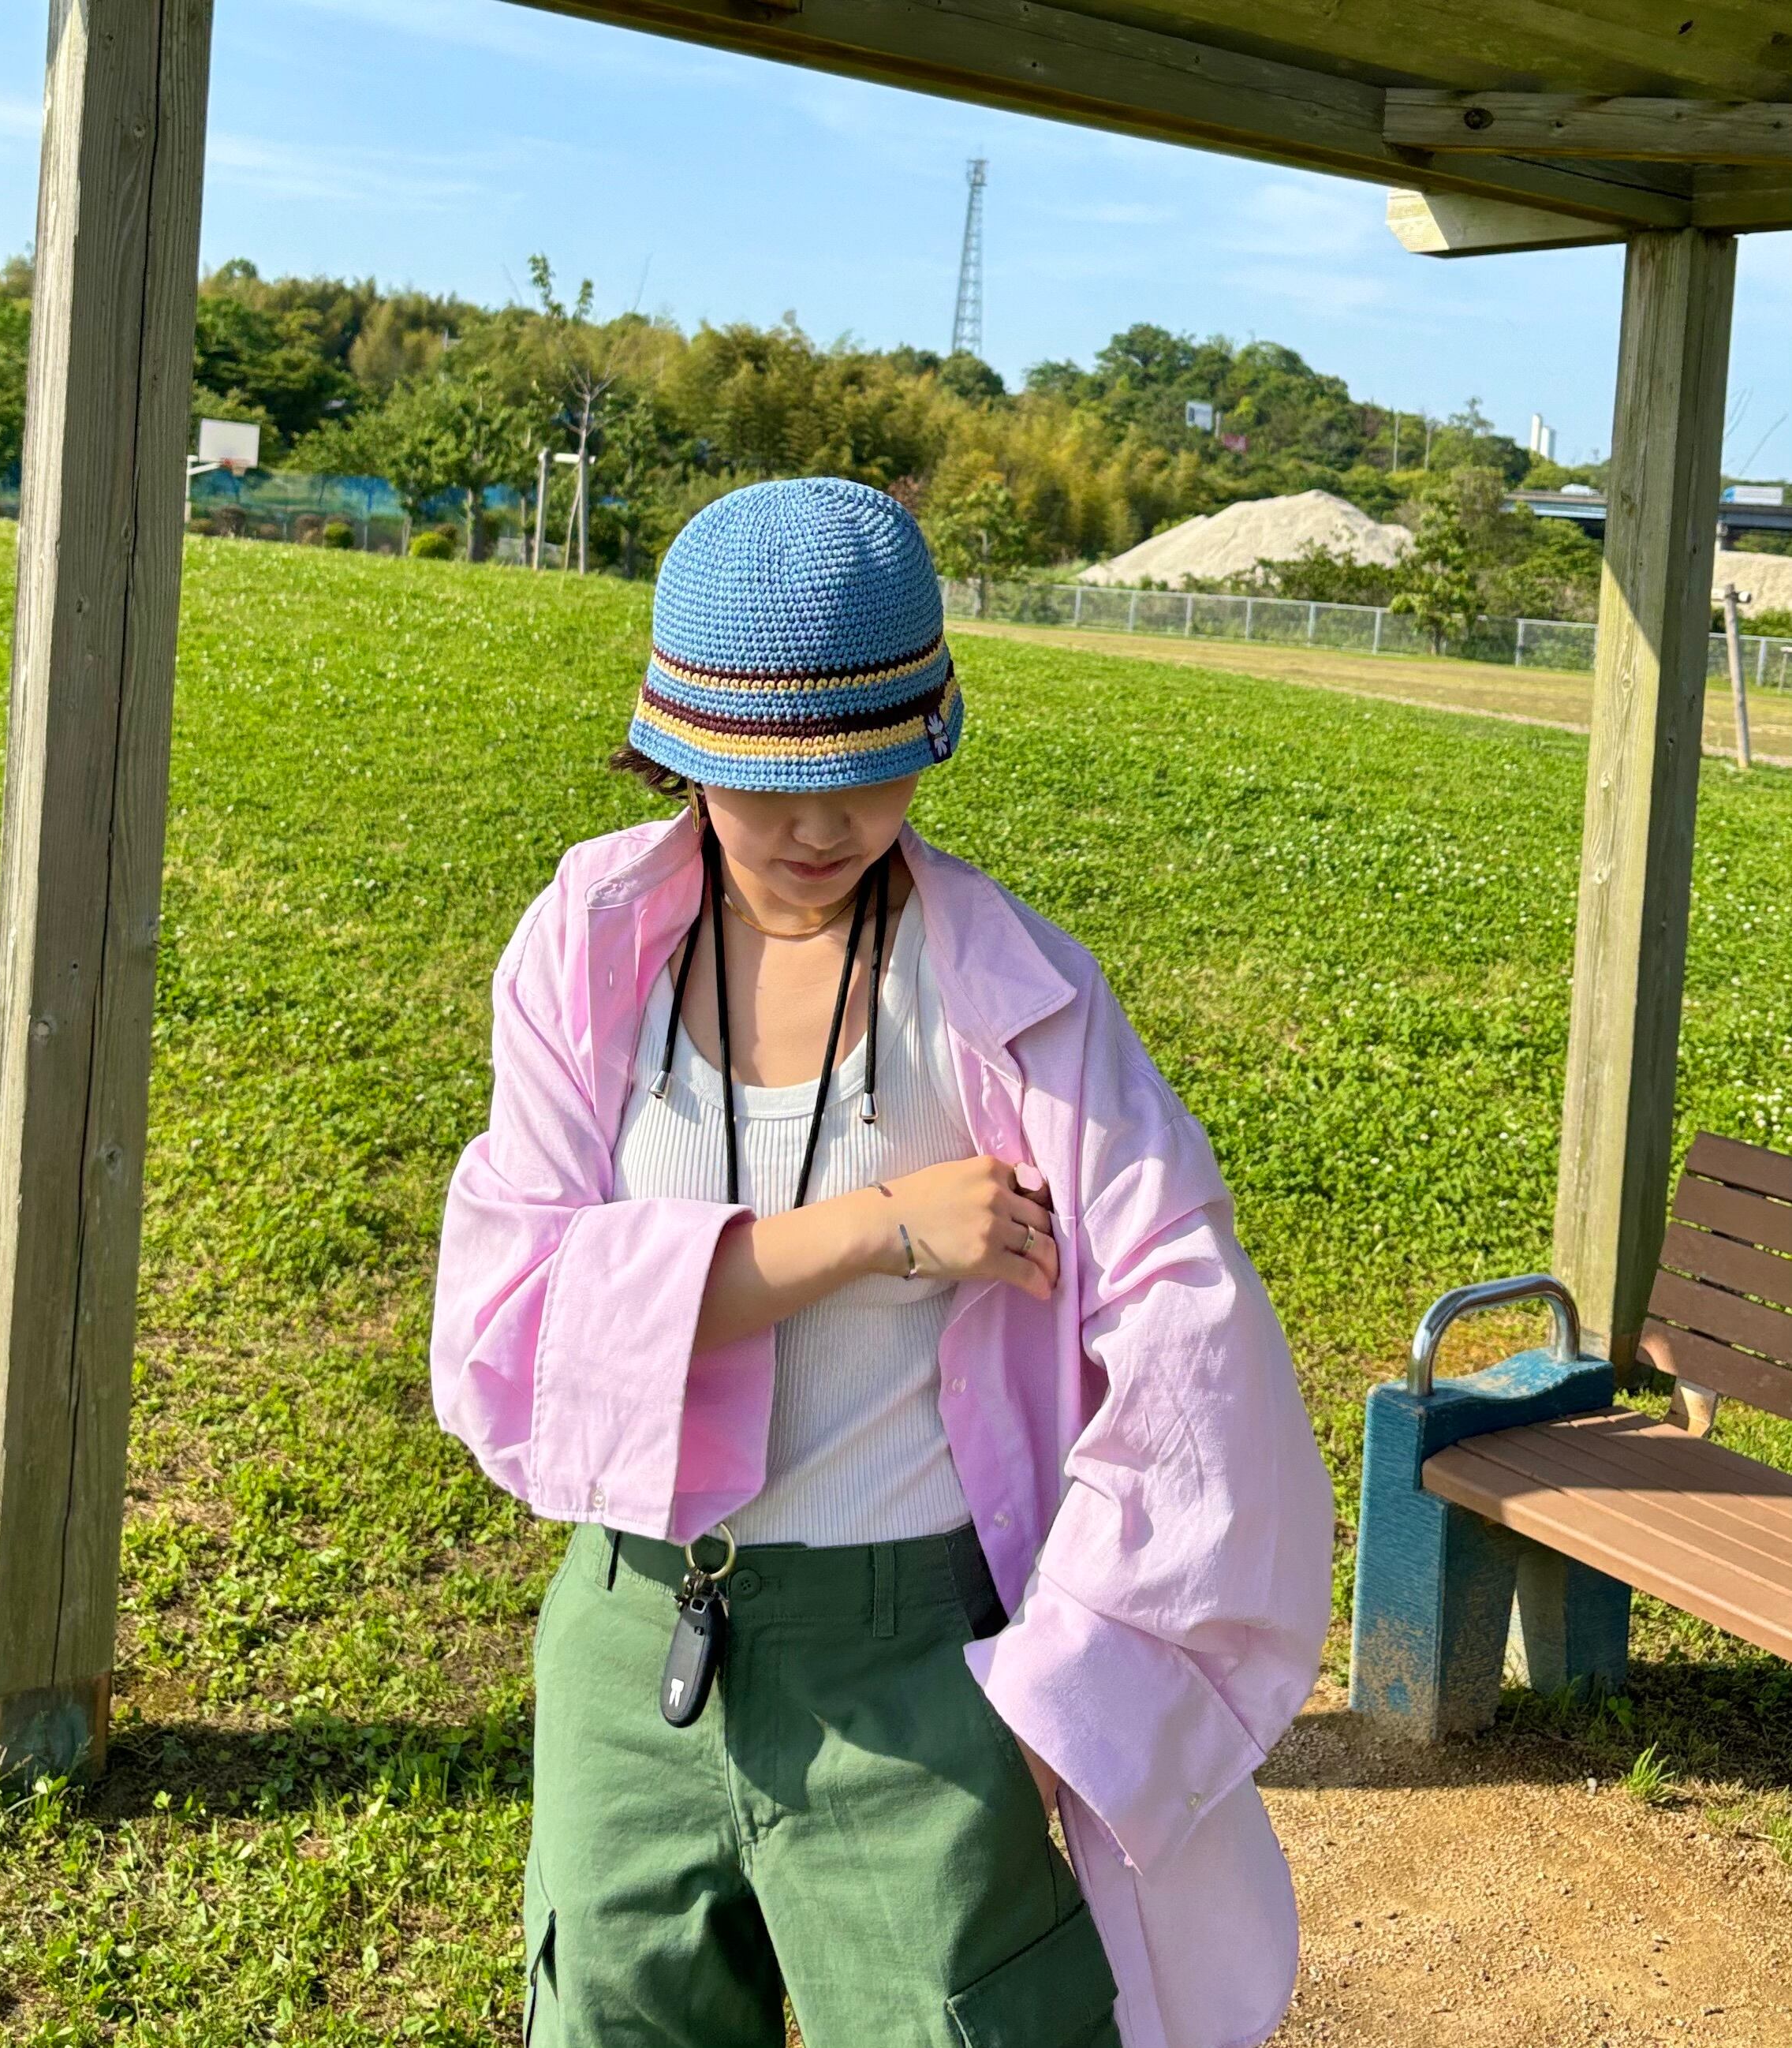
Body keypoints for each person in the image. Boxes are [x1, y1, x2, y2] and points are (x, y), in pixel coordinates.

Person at [431, 476, 1335, 2048]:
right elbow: (515, 1313)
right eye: (766, 775)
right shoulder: (589, 946)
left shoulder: (1011, 994)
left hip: (917, 1656)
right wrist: (878, 1228)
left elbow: (1192, 1345)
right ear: (676, 746)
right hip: (626, 1639)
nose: (822, 824)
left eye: (865, 768)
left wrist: (1070, 1682)